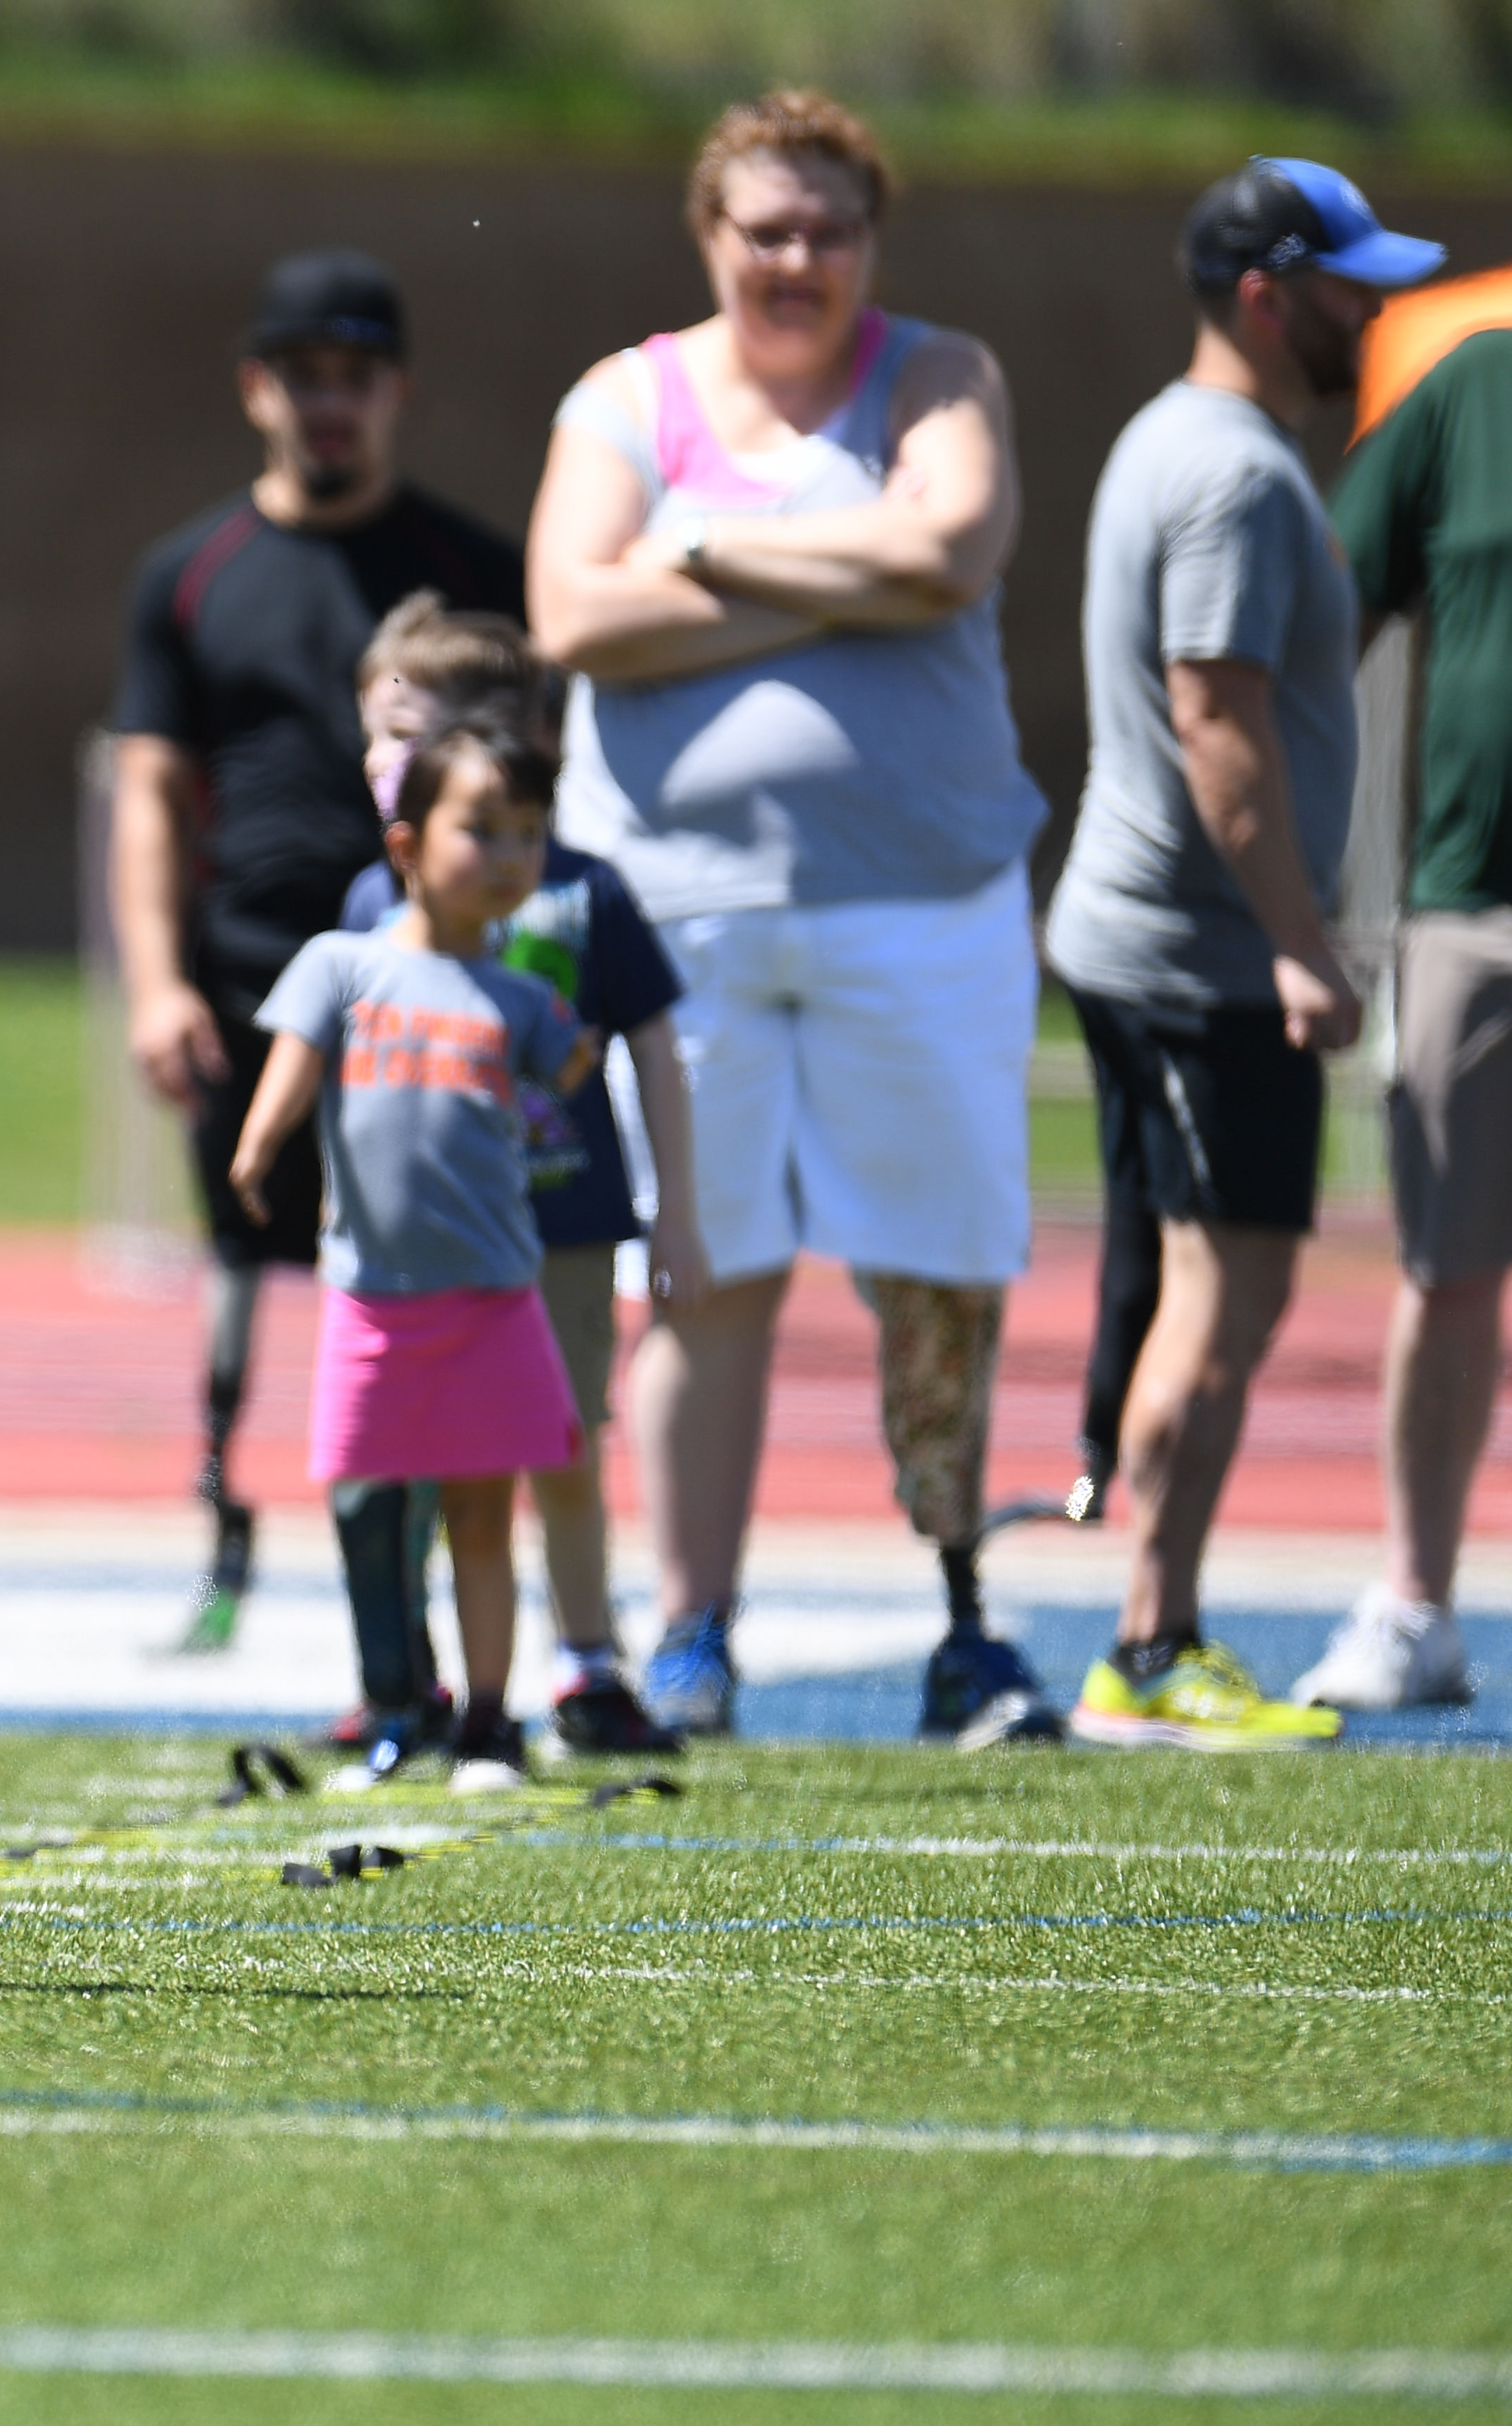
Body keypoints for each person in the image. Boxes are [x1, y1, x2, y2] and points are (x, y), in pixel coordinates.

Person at [526, 91, 1058, 1745]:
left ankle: (967, 1622)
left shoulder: (939, 375)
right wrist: (854, 569)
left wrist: (707, 559)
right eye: (765, 226)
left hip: (924, 901)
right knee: (700, 1271)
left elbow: (954, 549)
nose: (797, 257)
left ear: (868, 242)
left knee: (940, 1270)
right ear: (709, 235)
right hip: (677, 917)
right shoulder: (625, 397)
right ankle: (693, 1631)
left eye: (828, 227)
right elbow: (571, 614)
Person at [1048, 160, 1439, 1748]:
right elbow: (1215, 720)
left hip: (1160, 944)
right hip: (1200, 957)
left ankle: (1154, 1636)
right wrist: (1297, 945)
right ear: (1267, 294)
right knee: (1227, 1299)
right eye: (1348, 282)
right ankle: (1151, 1645)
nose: (1374, 308)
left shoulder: (1188, 442)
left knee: (1189, 1296)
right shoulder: (1226, 472)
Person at [108, 250, 525, 1657]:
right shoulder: (193, 570)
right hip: (246, 978)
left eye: (354, 377)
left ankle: (404, 1570)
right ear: (257, 389)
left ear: (396, 389)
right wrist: (160, 977)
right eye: (302, 377)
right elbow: (152, 790)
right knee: (240, 1248)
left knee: (413, 1270)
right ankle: (224, 1532)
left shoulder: (475, 568)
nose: (327, 405)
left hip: (432, 978)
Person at [336, 602, 707, 1760]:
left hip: (559, 1222)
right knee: (414, 1466)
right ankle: (410, 1683)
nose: (379, 761)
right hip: (422, 1250)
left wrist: (674, 1212)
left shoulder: (580, 892)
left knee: (558, 1444)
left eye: (408, 733)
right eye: (373, 735)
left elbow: (649, 1041)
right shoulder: (367, 908)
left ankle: (587, 1664)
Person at [234, 712, 598, 1793]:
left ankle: (491, 1723)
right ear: (406, 846)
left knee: (485, 1520)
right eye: (481, 829)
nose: (509, 855)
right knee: (374, 1511)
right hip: (373, 1303)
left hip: (493, 1300)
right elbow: (296, 1062)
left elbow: (580, 1083)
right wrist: (259, 1147)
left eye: (528, 834)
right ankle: (399, 1708)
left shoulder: (523, 997)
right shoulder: (342, 965)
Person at [1291, 261, 1512, 1711]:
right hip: (1474, 901)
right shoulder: (1462, 366)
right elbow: (1311, 639)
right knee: (1444, 1268)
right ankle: (1419, 1600)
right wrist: (1287, 890)